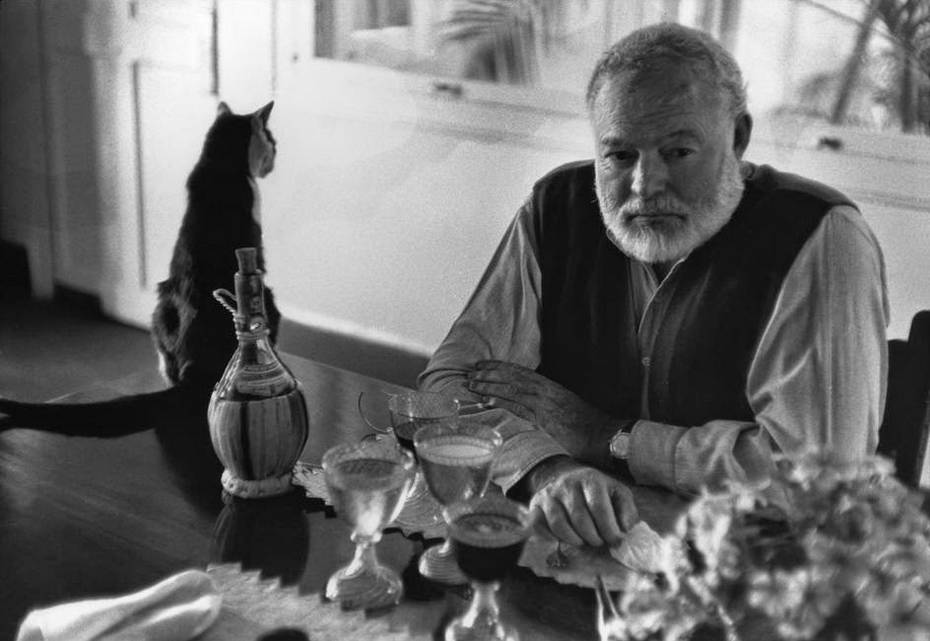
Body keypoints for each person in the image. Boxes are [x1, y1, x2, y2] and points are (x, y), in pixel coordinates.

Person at [419, 23, 888, 549]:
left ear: (737, 138)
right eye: (620, 156)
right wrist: (549, 470)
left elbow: (820, 482)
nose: (645, 185)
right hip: (580, 542)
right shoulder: (555, 209)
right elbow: (447, 387)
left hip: (751, 567)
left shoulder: (820, 237)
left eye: (678, 152)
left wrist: (609, 438)